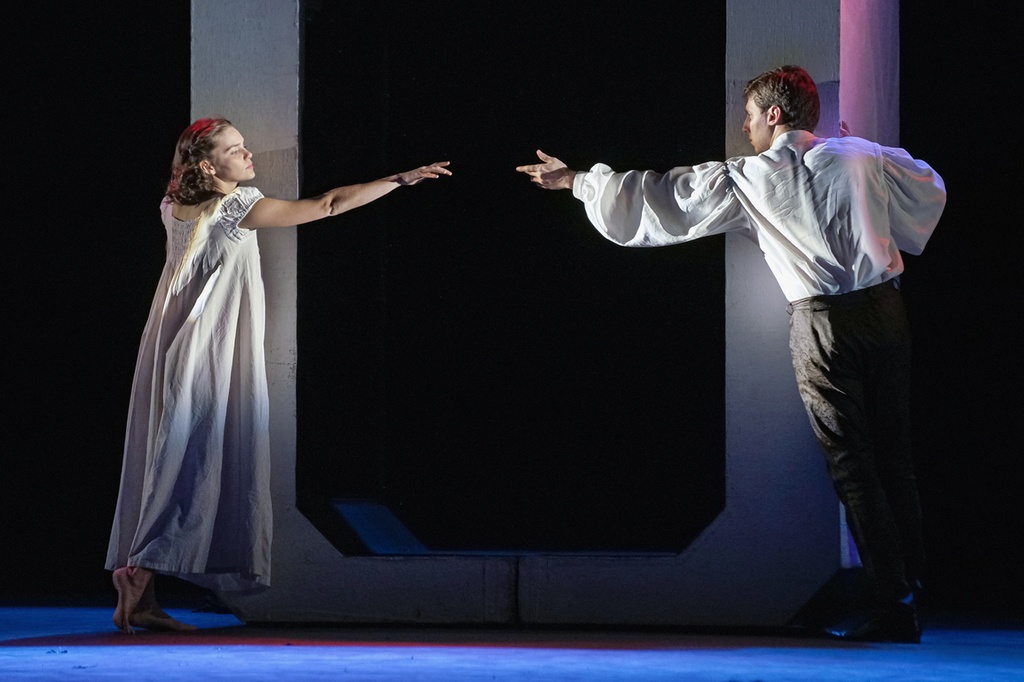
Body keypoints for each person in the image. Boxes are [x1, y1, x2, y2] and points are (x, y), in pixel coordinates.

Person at [515, 65, 946, 643]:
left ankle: (894, 603)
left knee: (852, 460)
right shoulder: (859, 155)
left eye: (748, 116)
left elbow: (663, 195)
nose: (744, 128)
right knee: (894, 453)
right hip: (886, 313)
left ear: (774, 115)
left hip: (823, 325)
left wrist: (576, 181)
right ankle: (911, 588)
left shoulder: (751, 177)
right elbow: (927, 187)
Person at [105, 117, 451, 633]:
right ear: (208, 166)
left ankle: (142, 596)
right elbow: (327, 205)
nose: (249, 155)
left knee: (166, 453)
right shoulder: (236, 207)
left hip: (169, 347)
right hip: (205, 351)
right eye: (235, 149)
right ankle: (141, 569)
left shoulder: (172, 206)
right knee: (192, 454)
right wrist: (400, 179)